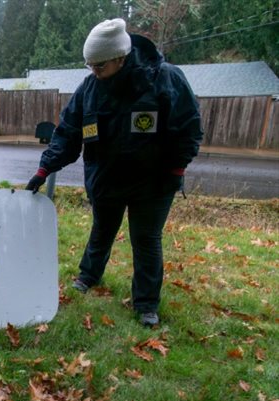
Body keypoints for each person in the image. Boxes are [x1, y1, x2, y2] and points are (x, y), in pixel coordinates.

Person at [26, 19, 202, 326]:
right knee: (102, 230)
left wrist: (176, 168)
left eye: (100, 65)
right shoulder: (89, 89)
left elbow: (188, 128)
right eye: (89, 65)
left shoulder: (164, 79)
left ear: (120, 58)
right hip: (106, 179)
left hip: (153, 182)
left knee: (146, 239)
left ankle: (146, 304)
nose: (93, 72)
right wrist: (45, 169)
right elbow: (68, 133)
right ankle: (88, 276)